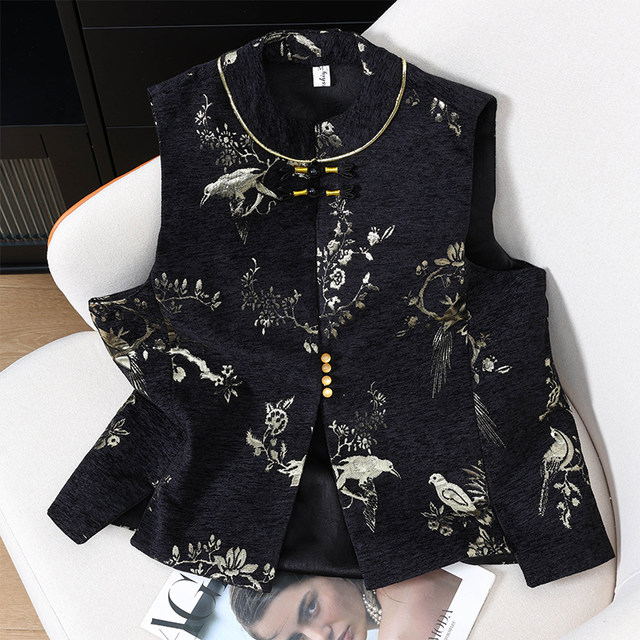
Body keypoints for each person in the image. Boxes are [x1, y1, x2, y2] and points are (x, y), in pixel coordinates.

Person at [228, 568, 462, 639]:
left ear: (329, 570)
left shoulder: (401, 616)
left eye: (311, 608)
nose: (321, 637)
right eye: (298, 639)